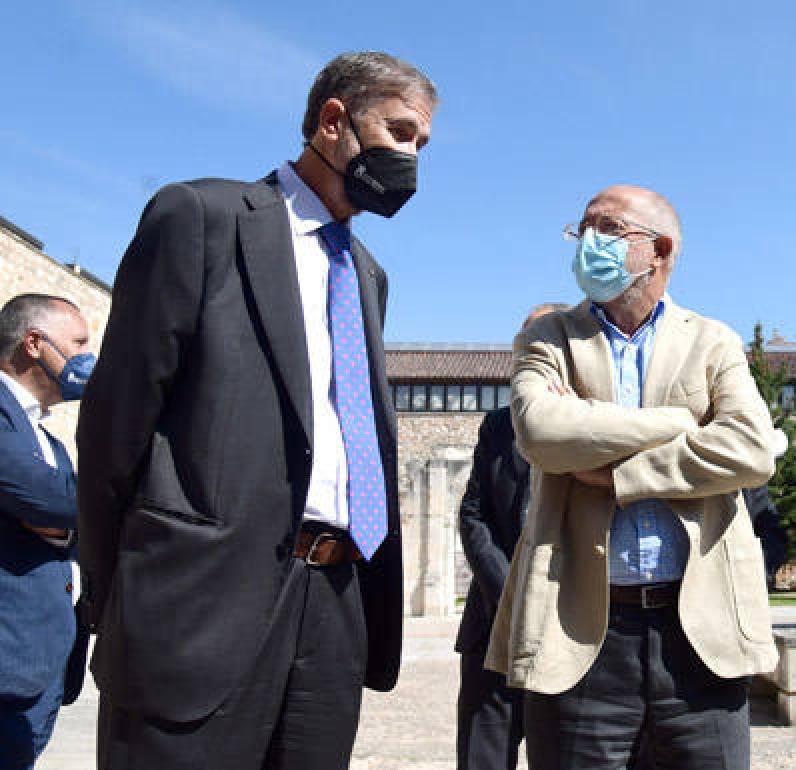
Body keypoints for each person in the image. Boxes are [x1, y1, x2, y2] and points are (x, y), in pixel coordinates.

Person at [76, 51, 436, 768]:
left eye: (422, 144)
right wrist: (119, 593)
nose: (411, 157)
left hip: (334, 601)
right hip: (199, 599)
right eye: (399, 132)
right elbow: (116, 423)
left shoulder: (367, 274)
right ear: (334, 121)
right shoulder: (203, 217)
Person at [485, 184, 776, 770]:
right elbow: (541, 431)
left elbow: (750, 451)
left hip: (700, 635)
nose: (588, 240)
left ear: (659, 249)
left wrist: (623, 477)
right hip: (583, 632)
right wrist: (677, 424)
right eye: (583, 228)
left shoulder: (713, 340)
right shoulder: (549, 336)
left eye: (608, 228)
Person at [456, 302, 568, 770]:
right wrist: (508, 592)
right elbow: (473, 514)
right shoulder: (498, 426)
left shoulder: (597, 421)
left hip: (567, 628)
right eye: (525, 343)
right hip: (493, 623)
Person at [0, 294, 92, 770]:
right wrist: (71, 520)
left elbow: (71, 519)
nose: (86, 358)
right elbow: (50, 501)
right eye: (77, 343)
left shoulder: (49, 442)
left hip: (40, 675)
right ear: (34, 343)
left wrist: (66, 527)